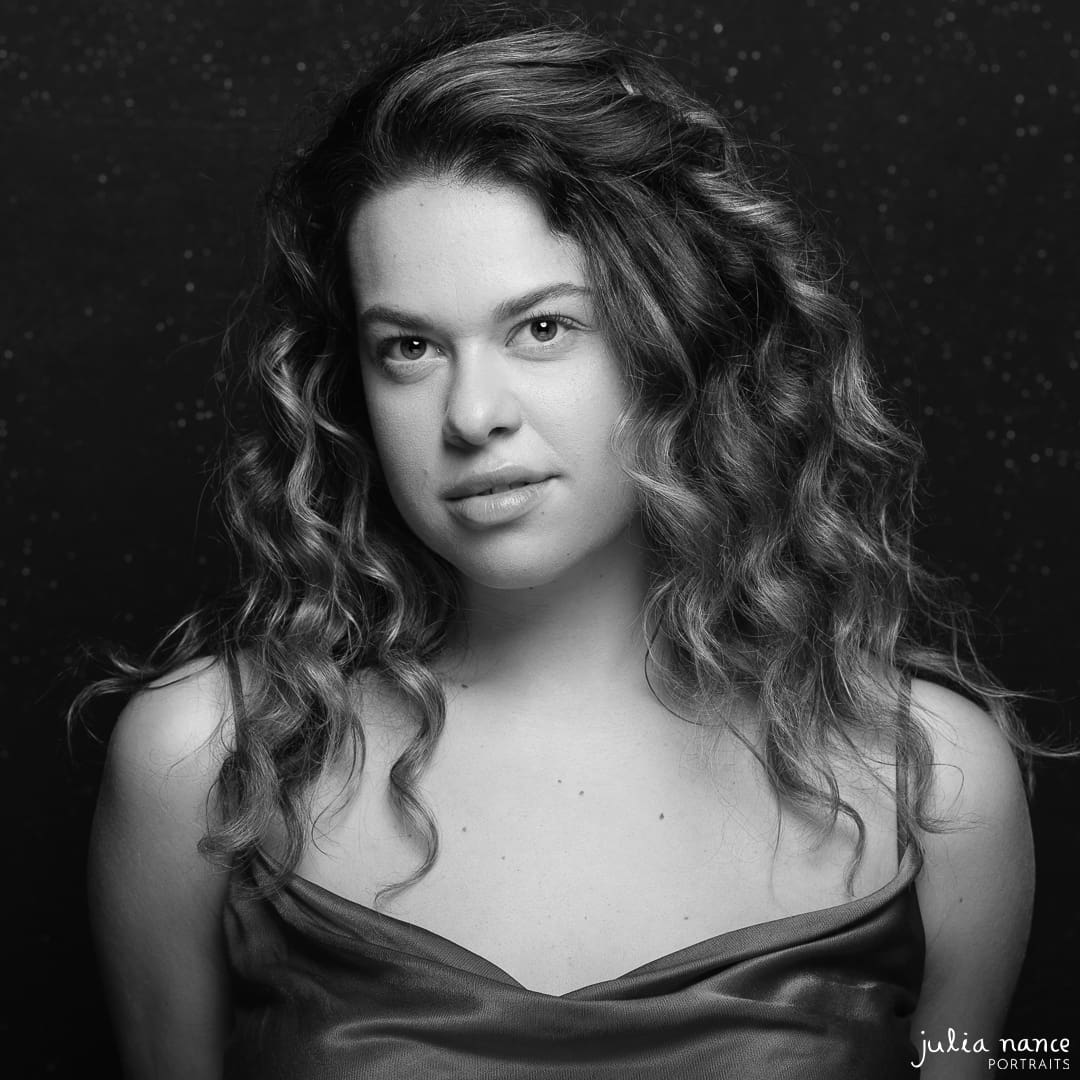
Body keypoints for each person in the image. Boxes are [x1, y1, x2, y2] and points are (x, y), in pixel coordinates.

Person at [79, 8, 1037, 1078]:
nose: (472, 413)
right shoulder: (207, 763)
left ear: (675, 337)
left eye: (543, 327)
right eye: (409, 346)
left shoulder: (933, 783)